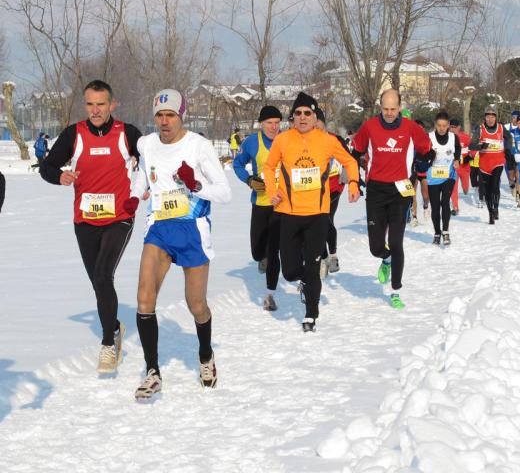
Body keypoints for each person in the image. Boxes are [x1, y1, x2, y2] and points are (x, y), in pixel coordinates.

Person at [129, 89, 231, 399]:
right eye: (159, 115)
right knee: (144, 299)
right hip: (159, 229)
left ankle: (205, 355)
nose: (164, 121)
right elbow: (144, 176)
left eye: (170, 115)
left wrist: (196, 184)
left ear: (181, 116)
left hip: (192, 232)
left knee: (195, 304)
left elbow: (224, 192)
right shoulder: (146, 144)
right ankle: (152, 372)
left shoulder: (198, 146)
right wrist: (134, 197)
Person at [40, 79, 141, 374]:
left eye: (101, 104)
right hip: (85, 220)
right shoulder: (75, 134)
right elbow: (47, 166)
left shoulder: (128, 133)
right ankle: (114, 325)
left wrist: (144, 180)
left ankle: (108, 342)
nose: (95, 110)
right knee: (99, 282)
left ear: (112, 104)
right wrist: (60, 177)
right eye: (90, 104)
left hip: (119, 217)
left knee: (102, 273)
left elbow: (154, 159)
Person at [263, 92, 360, 332]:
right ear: (293, 117)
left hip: (317, 214)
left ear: (314, 116)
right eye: (298, 113)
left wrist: (355, 183)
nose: (303, 117)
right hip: (289, 213)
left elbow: (350, 162)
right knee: (290, 271)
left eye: (307, 113)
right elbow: (268, 166)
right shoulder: (283, 140)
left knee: (313, 264)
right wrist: (272, 189)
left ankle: (311, 316)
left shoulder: (327, 140)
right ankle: (304, 281)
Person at [351, 89, 431, 309]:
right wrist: (354, 179)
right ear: (380, 107)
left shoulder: (411, 127)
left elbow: (426, 149)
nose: (388, 113)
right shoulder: (369, 127)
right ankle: (385, 259)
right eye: (385, 109)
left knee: (396, 242)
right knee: (376, 247)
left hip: (399, 190)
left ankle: (395, 290)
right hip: (376, 190)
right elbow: (355, 151)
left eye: (393, 109)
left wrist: (426, 159)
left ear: (399, 107)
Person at [233, 105, 283, 311]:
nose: (273, 126)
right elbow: (237, 164)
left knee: (274, 252)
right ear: (261, 124)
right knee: (257, 251)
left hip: (282, 204)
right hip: (260, 202)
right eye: (269, 123)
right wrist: (249, 180)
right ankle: (262, 257)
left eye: (277, 122)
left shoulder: (287, 140)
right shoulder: (252, 142)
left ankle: (270, 294)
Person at [315, 107, 350, 277]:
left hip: (334, 187)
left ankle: (333, 254)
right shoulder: (307, 141)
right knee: (318, 222)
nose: (316, 129)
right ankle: (323, 257)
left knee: (326, 219)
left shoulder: (335, 139)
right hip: (314, 189)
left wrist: (348, 178)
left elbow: (348, 160)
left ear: (324, 124)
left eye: (319, 125)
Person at [420, 111, 460, 245]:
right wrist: (429, 156)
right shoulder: (428, 137)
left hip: (449, 175)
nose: (442, 128)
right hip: (433, 176)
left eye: (444, 125)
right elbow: (422, 155)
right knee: (435, 206)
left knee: (445, 202)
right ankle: (437, 232)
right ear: (435, 125)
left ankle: (446, 232)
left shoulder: (454, 138)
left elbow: (458, 151)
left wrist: (456, 160)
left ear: (448, 125)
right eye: (439, 125)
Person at [469, 106, 512, 224]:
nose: (490, 119)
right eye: (488, 116)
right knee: (487, 190)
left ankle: (496, 207)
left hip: (498, 160)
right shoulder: (480, 129)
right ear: (485, 117)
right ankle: (490, 212)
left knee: (495, 185)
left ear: (496, 118)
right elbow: (471, 145)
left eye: (493, 116)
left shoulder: (501, 128)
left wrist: (508, 149)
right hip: (484, 163)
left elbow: (509, 137)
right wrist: (480, 146)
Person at [449, 118, 470, 216]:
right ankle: (455, 207)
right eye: (451, 127)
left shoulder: (465, 137)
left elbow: (473, 148)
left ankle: (466, 189)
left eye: (454, 127)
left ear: (459, 127)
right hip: (454, 167)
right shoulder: (447, 137)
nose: (452, 129)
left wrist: (469, 157)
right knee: (453, 187)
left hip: (465, 167)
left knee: (465, 188)